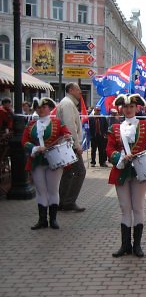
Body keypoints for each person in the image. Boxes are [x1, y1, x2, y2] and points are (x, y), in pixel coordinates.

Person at [106, 94, 146, 258]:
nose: (128, 109)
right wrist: (118, 157)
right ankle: (125, 245)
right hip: (121, 170)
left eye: (131, 107)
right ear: (121, 108)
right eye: (125, 107)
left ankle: (137, 246)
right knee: (124, 208)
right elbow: (109, 149)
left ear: (137, 108)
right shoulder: (114, 128)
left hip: (140, 171)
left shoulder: (145, 125)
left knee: (138, 207)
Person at [22, 98, 71, 230]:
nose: (41, 109)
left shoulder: (57, 122)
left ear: (49, 108)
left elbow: (67, 133)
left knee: (53, 190)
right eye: (38, 107)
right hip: (37, 160)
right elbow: (24, 141)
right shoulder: (31, 124)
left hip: (54, 160)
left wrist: (67, 137)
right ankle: (42, 220)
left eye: (44, 107)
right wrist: (34, 148)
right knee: (40, 190)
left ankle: (53, 219)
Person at [57, 83, 86, 212]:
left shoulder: (67, 103)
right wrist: (76, 145)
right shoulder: (68, 104)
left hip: (66, 144)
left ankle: (61, 201)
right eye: (78, 90)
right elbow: (70, 126)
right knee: (80, 171)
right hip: (69, 145)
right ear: (70, 90)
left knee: (68, 173)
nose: (80, 92)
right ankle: (68, 201)